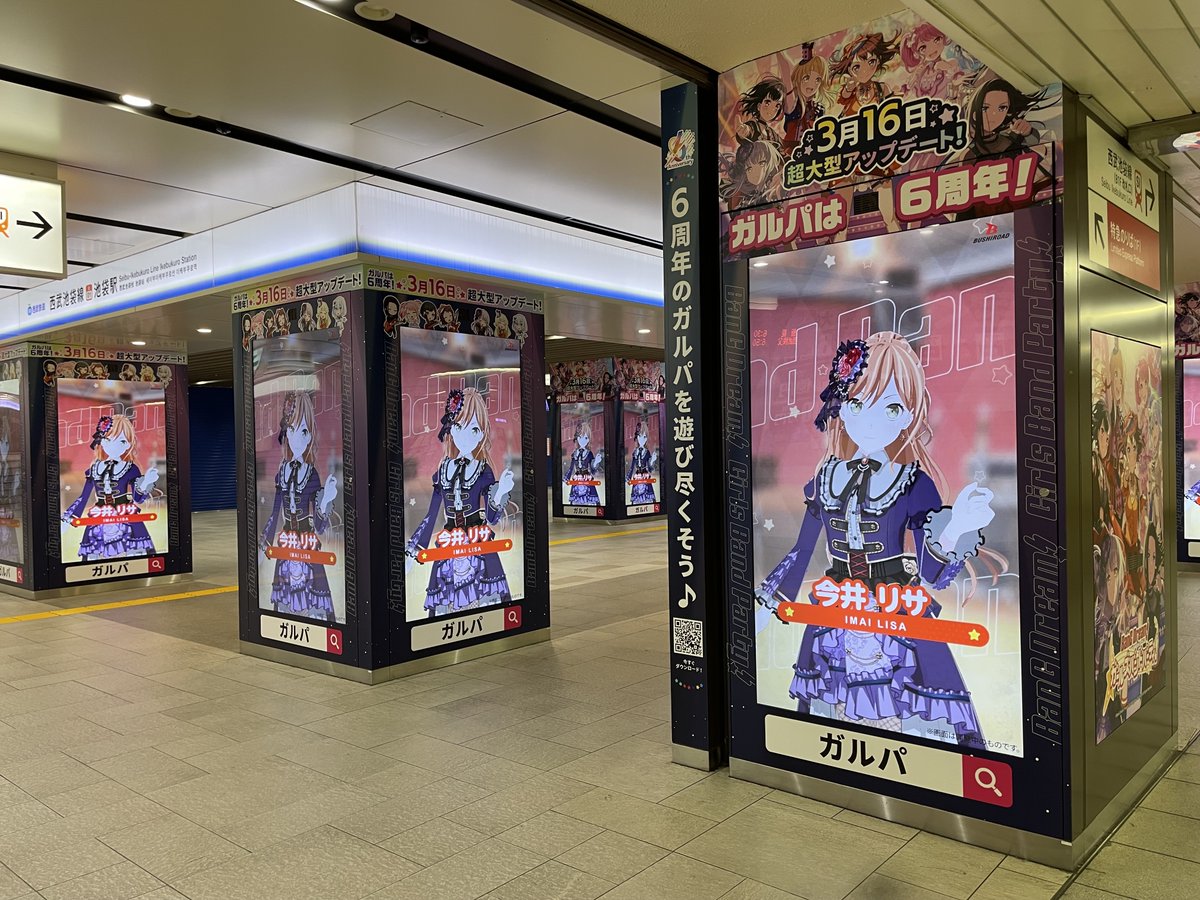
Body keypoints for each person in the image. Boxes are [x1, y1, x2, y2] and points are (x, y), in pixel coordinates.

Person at [755, 332, 997, 748]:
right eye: (856, 404)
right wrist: (765, 606)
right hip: (836, 605)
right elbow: (802, 550)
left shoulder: (913, 483)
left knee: (902, 711)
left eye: (891, 407)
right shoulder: (827, 477)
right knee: (833, 711)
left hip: (895, 608)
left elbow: (932, 574)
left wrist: (957, 526)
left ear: (908, 416)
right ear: (841, 407)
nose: (869, 420)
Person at [406, 388, 515, 616]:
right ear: (451, 429)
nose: (466, 435)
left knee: (486, 603)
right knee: (446, 606)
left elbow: (492, 517)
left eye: (474, 429)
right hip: (450, 541)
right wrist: (413, 551)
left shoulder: (483, 469)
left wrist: (500, 492)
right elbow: (432, 514)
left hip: (477, 540)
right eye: (458, 426)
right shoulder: (444, 468)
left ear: (481, 433)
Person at [259, 391, 339, 621]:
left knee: (314, 600)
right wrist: (264, 545)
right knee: (285, 601)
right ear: (286, 433)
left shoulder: (311, 474)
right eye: (292, 430)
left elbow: (320, 526)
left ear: (310, 435)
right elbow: (275, 513)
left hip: (307, 541)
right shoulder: (282, 472)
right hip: (287, 543)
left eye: (303, 431)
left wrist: (326, 500)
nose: (297, 438)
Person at [61, 414, 160, 560]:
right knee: (94, 557)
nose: (114, 445)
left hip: (126, 514)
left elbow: (138, 498)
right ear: (102, 440)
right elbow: (84, 497)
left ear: (128, 444)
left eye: (122, 441)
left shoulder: (131, 468)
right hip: (100, 515)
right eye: (108, 439)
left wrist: (146, 482)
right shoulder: (94, 469)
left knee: (135, 554)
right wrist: (67, 519)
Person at [735, 76, 786, 147]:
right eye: (767, 103)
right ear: (759, 106)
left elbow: (782, 149)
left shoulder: (772, 134)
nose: (772, 109)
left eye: (777, 105)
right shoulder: (753, 126)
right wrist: (744, 132)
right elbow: (748, 132)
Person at [564, 420, 604, 506]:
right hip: (577, 479)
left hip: (587, 478)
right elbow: (571, 468)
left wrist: (596, 462)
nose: (583, 440)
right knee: (575, 501)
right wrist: (566, 479)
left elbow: (592, 467)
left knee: (591, 499)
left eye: (586, 438)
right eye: (580, 437)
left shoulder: (589, 453)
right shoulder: (574, 453)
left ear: (588, 439)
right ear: (577, 438)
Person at [627, 418, 659, 505]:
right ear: (637, 437)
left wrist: (652, 461)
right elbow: (632, 467)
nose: (642, 439)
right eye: (640, 436)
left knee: (649, 498)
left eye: (644, 437)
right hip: (637, 475)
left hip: (645, 475)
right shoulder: (635, 452)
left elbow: (650, 468)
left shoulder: (647, 452)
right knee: (635, 499)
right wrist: (628, 477)